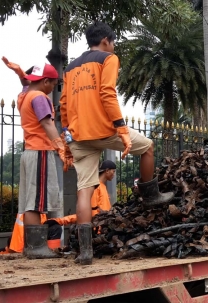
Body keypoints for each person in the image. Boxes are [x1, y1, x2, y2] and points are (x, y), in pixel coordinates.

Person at [59, 21, 173, 265]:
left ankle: (86, 252)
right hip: (104, 130)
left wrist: (67, 142)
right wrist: (121, 128)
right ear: (106, 41)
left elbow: (64, 106)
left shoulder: (70, 68)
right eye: (113, 43)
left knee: (84, 190)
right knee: (148, 147)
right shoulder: (107, 59)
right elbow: (107, 93)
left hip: (78, 135)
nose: (113, 46)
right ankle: (151, 195)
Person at [2, 56, 71, 259]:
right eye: (53, 84)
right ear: (46, 82)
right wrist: (61, 148)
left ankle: (34, 247)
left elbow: (27, 85)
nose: (53, 89)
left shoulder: (25, 96)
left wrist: (23, 76)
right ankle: (36, 248)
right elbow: (48, 124)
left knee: (31, 200)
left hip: (29, 152)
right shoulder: (40, 98)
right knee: (35, 203)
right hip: (40, 152)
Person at [46, 160, 116, 227]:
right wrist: (60, 221)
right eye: (113, 171)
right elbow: (92, 212)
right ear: (107, 171)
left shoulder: (102, 186)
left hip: (104, 227)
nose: (114, 174)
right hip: (98, 228)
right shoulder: (95, 186)